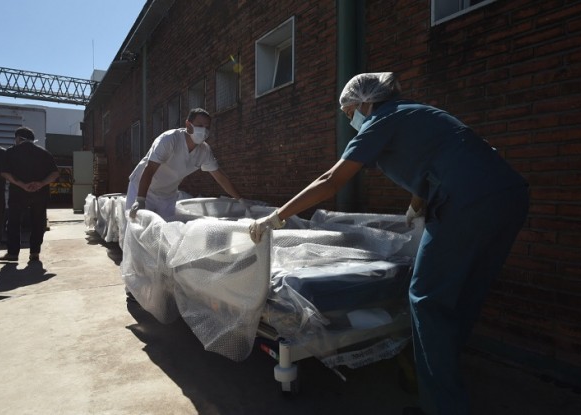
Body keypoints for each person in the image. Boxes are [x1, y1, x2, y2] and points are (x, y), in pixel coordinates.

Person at [249, 72, 529, 415]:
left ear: (366, 102)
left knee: (425, 299)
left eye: (349, 110)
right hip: (509, 197)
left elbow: (330, 180)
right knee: (463, 296)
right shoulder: (419, 113)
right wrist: (417, 203)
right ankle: (435, 375)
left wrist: (276, 217)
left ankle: (441, 404)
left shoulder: (382, 120)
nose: (350, 118)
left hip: (465, 202)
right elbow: (441, 158)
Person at [126, 107, 245, 219]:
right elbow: (150, 169)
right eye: (200, 125)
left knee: (165, 232)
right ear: (188, 125)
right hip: (142, 188)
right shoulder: (169, 140)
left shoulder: (204, 151)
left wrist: (240, 200)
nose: (204, 130)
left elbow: (221, 177)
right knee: (137, 227)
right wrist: (140, 200)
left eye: (207, 127)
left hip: (167, 195)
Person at [0, 127, 59, 262]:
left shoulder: (11, 152)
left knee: (14, 222)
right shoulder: (44, 153)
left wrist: (22, 185)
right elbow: (55, 173)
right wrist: (41, 184)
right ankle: (34, 253)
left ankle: (13, 253)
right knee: (38, 222)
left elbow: (4, 173)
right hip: (40, 194)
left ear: (19, 138)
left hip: (18, 193)